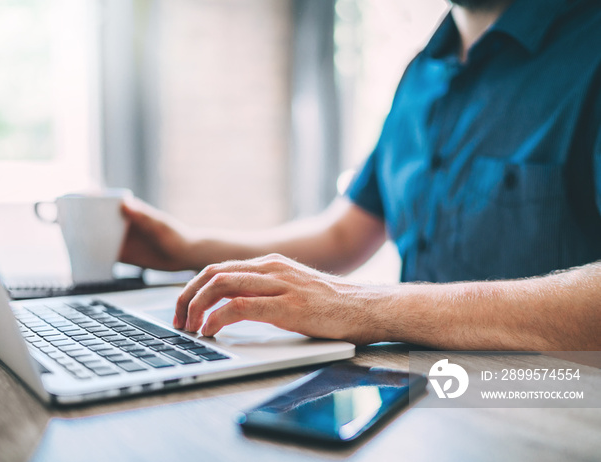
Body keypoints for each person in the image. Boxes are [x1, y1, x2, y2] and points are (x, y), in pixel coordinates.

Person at [118, 0, 601, 351]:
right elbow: (344, 234)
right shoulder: (420, 74)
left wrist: (360, 306)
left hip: (547, 403)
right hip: (417, 397)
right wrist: (181, 248)